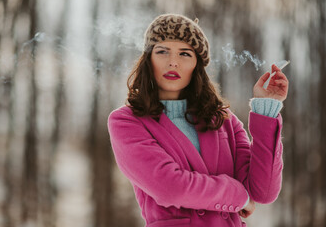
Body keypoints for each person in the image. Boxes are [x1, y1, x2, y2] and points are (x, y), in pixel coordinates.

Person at [107, 14, 288, 227]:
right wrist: (237, 195)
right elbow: (169, 187)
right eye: (162, 51)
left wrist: (266, 109)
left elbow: (263, 191)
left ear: (197, 65)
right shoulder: (127, 122)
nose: (173, 61)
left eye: (184, 53)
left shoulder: (223, 119)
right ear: (149, 60)